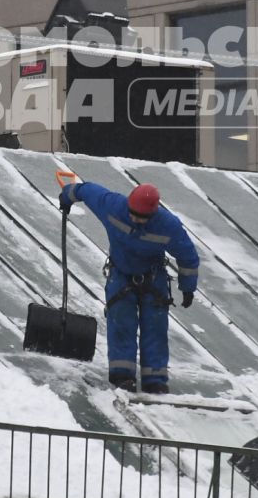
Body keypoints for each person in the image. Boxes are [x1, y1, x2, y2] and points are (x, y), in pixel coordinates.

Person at [55, 168, 200, 395]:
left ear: (153, 214)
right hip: (121, 276)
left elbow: (188, 257)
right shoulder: (112, 205)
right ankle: (122, 377)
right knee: (121, 323)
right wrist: (66, 198)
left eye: (141, 217)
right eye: (133, 213)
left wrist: (188, 287)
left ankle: (155, 381)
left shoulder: (168, 225)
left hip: (154, 280)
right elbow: (84, 190)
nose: (135, 219)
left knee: (155, 328)